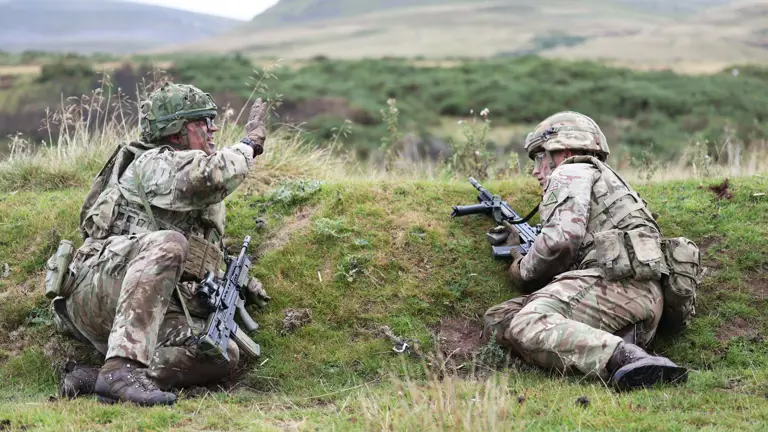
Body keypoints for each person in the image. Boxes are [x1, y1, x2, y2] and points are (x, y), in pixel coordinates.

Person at [51, 83, 271, 406]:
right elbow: (211, 176)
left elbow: (196, 258)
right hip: (98, 289)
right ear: (176, 131)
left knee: (220, 351)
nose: (213, 129)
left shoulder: (194, 198)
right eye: (202, 122)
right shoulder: (154, 163)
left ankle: (102, 377)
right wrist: (249, 145)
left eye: (212, 120)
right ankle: (122, 369)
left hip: (140, 306)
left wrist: (237, 282)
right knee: (170, 243)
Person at [482, 111, 688, 390]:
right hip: (642, 301)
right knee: (499, 320)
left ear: (562, 150)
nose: (535, 170)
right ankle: (624, 353)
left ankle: (626, 358)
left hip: (614, 287)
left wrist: (521, 267)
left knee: (527, 323)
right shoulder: (612, 184)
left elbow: (561, 241)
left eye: (539, 157)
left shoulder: (570, 170)